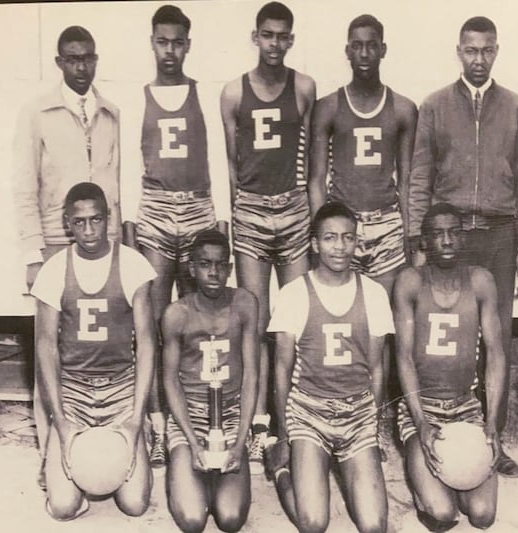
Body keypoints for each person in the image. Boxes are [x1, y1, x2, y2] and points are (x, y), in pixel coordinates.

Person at [408, 16, 518, 478]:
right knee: (447, 335)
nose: (478, 59)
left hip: (501, 236)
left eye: (486, 50)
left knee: (497, 337)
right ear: (458, 51)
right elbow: (420, 177)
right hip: (452, 235)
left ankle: (492, 439)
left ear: (496, 52)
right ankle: (430, 430)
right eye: (470, 50)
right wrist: (418, 240)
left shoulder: (515, 107)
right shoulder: (436, 106)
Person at [12, 25, 120, 487]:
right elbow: (23, 186)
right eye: (72, 59)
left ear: (96, 59)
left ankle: (105, 441)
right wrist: (34, 253)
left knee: (102, 344)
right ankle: (50, 452)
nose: (82, 67)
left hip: (104, 243)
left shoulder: (111, 112)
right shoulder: (37, 111)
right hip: (58, 245)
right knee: (51, 352)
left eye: (88, 58)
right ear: (59, 62)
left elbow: (119, 182)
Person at [220, 1, 316, 472]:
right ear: (254, 37)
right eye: (267, 35)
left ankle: (293, 421)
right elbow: (229, 166)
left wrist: (311, 218)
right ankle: (258, 425)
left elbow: (313, 157)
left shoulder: (304, 87)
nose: (275, 43)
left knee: (295, 318)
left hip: (294, 209)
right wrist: (233, 215)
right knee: (255, 322)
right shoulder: (233, 93)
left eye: (283, 36)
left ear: (291, 40)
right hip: (253, 212)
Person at [121, 4, 219, 468]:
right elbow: (128, 170)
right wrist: (130, 233)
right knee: (157, 329)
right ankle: (159, 429)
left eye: (178, 42)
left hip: (199, 210)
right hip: (156, 214)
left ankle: (201, 419)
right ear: (152, 43)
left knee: (200, 325)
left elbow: (217, 163)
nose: (170, 50)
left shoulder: (206, 94)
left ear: (188, 44)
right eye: (162, 41)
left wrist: (220, 229)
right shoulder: (137, 97)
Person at [31, 182, 156, 520]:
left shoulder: (133, 264)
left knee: (134, 504)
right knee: (62, 507)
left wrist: (133, 418)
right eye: (80, 221)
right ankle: (61, 458)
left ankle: (134, 444)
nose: (89, 230)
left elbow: (146, 343)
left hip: (120, 387)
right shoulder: (54, 269)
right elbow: (45, 347)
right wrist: (61, 420)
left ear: (109, 218)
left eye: (96, 220)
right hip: (74, 389)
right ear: (67, 223)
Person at [268, 201, 391, 533]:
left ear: (357, 242)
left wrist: (373, 426)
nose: (340, 247)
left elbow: (377, 369)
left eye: (348, 238)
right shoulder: (294, 293)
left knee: (373, 524)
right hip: (309, 412)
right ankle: (281, 472)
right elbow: (281, 369)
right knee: (314, 523)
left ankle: (351, 472)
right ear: (314, 243)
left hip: (357, 414)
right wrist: (282, 434)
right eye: (330, 238)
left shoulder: (375, 293)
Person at [393, 203, 505, 531]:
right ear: (424, 242)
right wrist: (421, 423)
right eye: (437, 234)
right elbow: (403, 357)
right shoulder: (410, 282)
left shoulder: (481, 281)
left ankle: (446, 480)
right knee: (442, 515)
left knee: (483, 515)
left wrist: (492, 422)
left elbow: (496, 354)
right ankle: (425, 486)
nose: (446, 240)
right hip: (422, 411)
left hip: (465, 409)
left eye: (453, 233)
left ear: (463, 238)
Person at [309, 14, 417, 296]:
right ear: (348, 51)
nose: (365, 53)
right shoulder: (328, 106)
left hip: (387, 223)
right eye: (357, 46)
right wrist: (322, 232)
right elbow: (316, 179)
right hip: (344, 222)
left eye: (371, 45)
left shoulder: (404, 109)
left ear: (383, 49)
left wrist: (410, 234)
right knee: (343, 310)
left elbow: (407, 180)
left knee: (386, 314)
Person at [162, 229, 258, 532]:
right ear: (192, 268)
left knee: (229, 519)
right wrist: (192, 443)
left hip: (229, 414)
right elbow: (170, 381)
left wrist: (240, 441)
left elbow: (252, 375)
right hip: (189, 415)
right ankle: (190, 473)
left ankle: (220, 479)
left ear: (230, 268)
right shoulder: (177, 313)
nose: (213, 272)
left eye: (220, 265)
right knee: (193, 521)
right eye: (205, 264)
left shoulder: (245, 304)